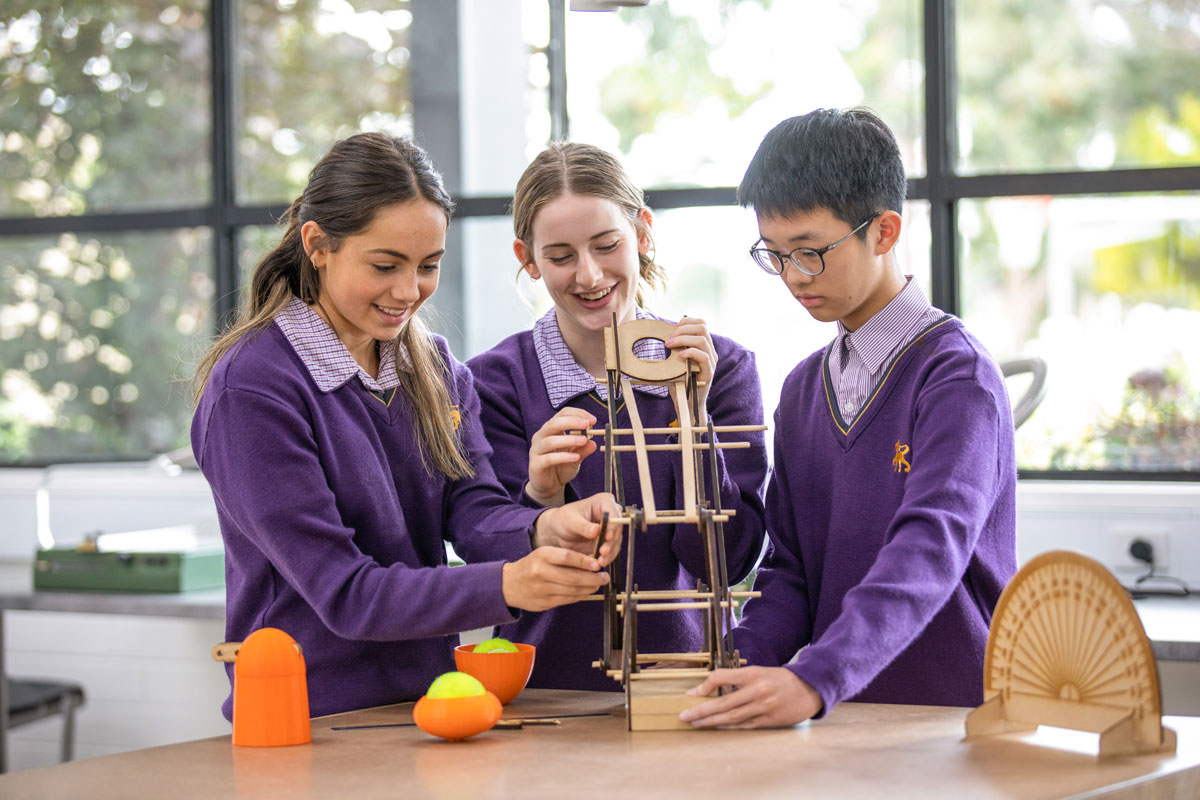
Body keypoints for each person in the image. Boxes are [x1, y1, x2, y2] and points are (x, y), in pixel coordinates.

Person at [190, 132, 621, 720]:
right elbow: (345, 593)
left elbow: (473, 512)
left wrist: (547, 527)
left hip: (428, 709)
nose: (408, 291)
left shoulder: (432, 367)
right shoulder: (253, 391)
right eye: (385, 265)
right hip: (304, 717)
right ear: (317, 244)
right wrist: (509, 584)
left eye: (428, 266)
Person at [680, 108, 1017, 728]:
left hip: (956, 722)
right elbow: (792, 572)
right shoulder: (805, 388)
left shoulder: (955, 377)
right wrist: (736, 667)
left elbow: (929, 546)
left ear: (884, 231)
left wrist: (814, 676)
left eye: (810, 253)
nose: (791, 278)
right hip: (848, 717)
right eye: (774, 254)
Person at [467, 142, 768, 691]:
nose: (588, 275)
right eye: (559, 256)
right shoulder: (492, 383)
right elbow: (485, 549)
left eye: (607, 246)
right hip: (547, 693)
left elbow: (730, 556)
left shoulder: (721, 369)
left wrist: (690, 417)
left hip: (694, 687)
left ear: (643, 233)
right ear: (526, 258)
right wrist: (540, 498)